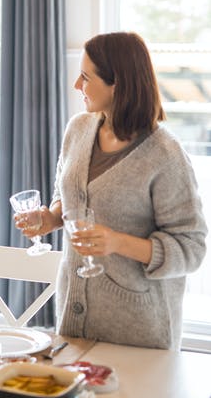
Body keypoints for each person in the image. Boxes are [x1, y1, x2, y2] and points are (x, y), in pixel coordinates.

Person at [14, 31, 207, 350]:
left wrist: (117, 242)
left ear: (116, 82)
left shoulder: (165, 156)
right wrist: (50, 218)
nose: (77, 86)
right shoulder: (78, 129)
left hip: (138, 331)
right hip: (74, 321)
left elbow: (192, 249)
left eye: (86, 77)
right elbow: (71, 198)